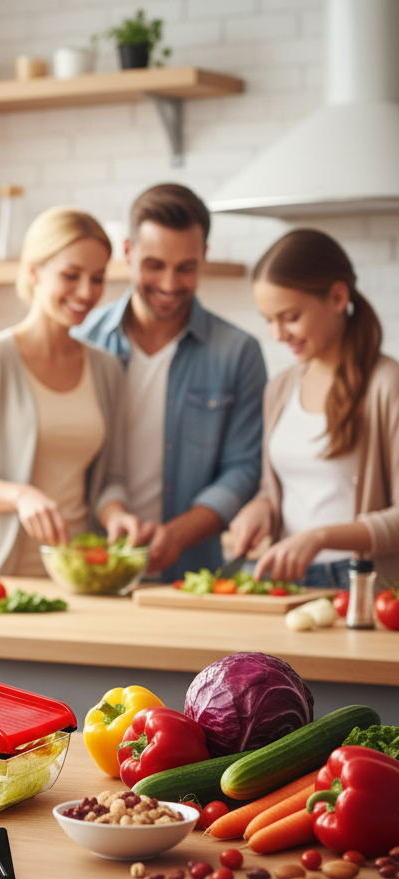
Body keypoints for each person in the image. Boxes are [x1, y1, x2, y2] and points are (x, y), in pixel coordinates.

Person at [73, 184, 267, 581]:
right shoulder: (83, 341)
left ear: (204, 258)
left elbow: (244, 468)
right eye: (154, 264)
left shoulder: (238, 352)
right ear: (128, 252)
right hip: (94, 567)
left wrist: (176, 535)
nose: (168, 283)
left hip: (192, 572)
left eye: (185, 267)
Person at [0, 207, 140, 578]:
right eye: (71, 275)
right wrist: (21, 495)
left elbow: (111, 477)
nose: (87, 292)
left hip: (77, 574)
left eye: (97, 278)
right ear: (33, 271)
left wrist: (116, 513)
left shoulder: (106, 369)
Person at [228, 229, 399, 586]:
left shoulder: (386, 385)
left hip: (360, 587)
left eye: (289, 317)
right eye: (268, 319)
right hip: (286, 582)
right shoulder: (279, 388)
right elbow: (275, 488)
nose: (277, 333)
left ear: (337, 297)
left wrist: (320, 536)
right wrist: (262, 508)